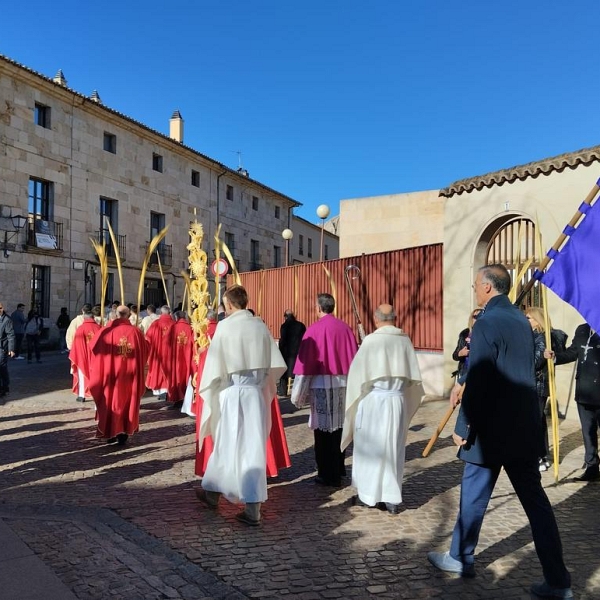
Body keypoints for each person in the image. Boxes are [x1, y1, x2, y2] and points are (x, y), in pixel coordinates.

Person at [427, 265, 572, 600]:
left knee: (474, 497)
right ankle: (558, 581)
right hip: (524, 427)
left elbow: (480, 378)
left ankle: (461, 557)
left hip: (491, 431)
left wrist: (463, 426)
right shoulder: (522, 321)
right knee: (537, 506)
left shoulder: (489, 322)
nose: (474, 289)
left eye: (476, 284)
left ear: (488, 287)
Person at [196, 285, 286, 526]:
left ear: (230, 305)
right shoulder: (259, 325)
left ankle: (216, 494)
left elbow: (214, 367)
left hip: (232, 392)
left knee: (226, 443)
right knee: (253, 447)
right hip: (255, 394)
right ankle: (248, 506)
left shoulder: (226, 326)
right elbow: (273, 365)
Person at [341, 304, 424, 514]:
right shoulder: (404, 340)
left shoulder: (371, 341)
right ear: (394, 319)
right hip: (396, 401)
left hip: (374, 402)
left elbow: (358, 378)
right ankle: (391, 499)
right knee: (393, 449)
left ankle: (369, 496)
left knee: (370, 448)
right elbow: (412, 381)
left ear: (377, 319)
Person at [291, 293, 358, 487]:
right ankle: (339, 468)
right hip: (342, 385)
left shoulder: (313, 330)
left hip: (320, 384)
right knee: (339, 428)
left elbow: (305, 368)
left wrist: (298, 396)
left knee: (322, 432)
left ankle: (326, 474)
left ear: (319, 308)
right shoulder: (345, 328)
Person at [547, 322, 600, 482]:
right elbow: (572, 352)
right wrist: (555, 356)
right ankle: (592, 467)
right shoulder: (582, 329)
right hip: (584, 390)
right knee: (588, 432)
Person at [88, 305, 149, 445]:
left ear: (116, 315)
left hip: (111, 376)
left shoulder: (106, 332)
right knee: (127, 402)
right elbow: (146, 350)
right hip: (130, 376)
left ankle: (110, 433)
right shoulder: (136, 333)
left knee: (111, 402)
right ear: (128, 316)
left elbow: (94, 348)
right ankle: (124, 432)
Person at [525, 307, 568, 472]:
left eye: (529, 318)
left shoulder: (541, 337)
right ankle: (542, 455)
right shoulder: (537, 336)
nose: (526, 321)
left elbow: (535, 362)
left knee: (534, 422)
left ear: (537, 320)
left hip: (537, 385)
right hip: (536, 385)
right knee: (539, 421)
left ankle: (539, 456)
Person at [69, 304, 101, 403]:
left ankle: (82, 395)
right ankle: (97, 393)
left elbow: (76, 345)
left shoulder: (81, 328)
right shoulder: (99, 328)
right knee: (97, 375)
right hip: (96, 356)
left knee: (82, 375)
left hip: (82, 356)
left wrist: (76, 354)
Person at [145, 305, 174, 400]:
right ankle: (168, 390)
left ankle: (160, 391)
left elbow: (148, 338)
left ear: (161, 313)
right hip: (171, 353)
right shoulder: (174, 324)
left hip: (157, 352)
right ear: (169, 313)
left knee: (157, 370)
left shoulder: (156, 324)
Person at [166, 311, 194, 407]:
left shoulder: (173, 328)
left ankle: (177, 398)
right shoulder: (190, 328)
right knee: (186, 376)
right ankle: (186, 399)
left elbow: (167, 343)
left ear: (176, 317)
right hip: (187, 358)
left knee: (176, 376)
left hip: (176, 358)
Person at [278, 309, 306, 396]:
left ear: (285, 316)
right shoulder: (300, 325)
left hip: (286, 353)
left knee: (284, 373)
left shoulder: (284, 326)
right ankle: (298, 392)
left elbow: (283, 340)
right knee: (298, 374)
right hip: (298, 352)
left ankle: (283, 391)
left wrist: (280, 349)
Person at [451, 309, 482, 382]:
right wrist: (460, 353)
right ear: (471, 319)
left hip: (478, 370)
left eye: (479, 317)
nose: (477, 319)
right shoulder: (464, 334)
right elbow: (454, 356)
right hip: (464, 370)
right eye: (475, 316)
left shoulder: (485, 333)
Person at [0, 302, 16, 398]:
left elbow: (11, 335)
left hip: (2, 348)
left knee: (2, 367)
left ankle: (4, 387)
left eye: (0, 308)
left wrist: (11, 349)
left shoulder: (7, 320)